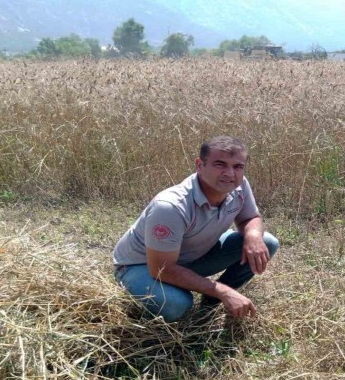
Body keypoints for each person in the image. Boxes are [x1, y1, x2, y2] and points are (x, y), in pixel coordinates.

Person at [113, 136, 279, 322]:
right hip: (142, 266)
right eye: (220, 164)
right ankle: (149, 304)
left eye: (238, 166)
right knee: (177, 304)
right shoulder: (171, 206)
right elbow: (162, 268)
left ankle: (210, 302)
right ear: (200, 165)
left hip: (189, 257)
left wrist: (253, 235)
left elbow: (250, 218)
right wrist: (222, 291)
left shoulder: (238, 186)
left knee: (267, 242)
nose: (230, 173)